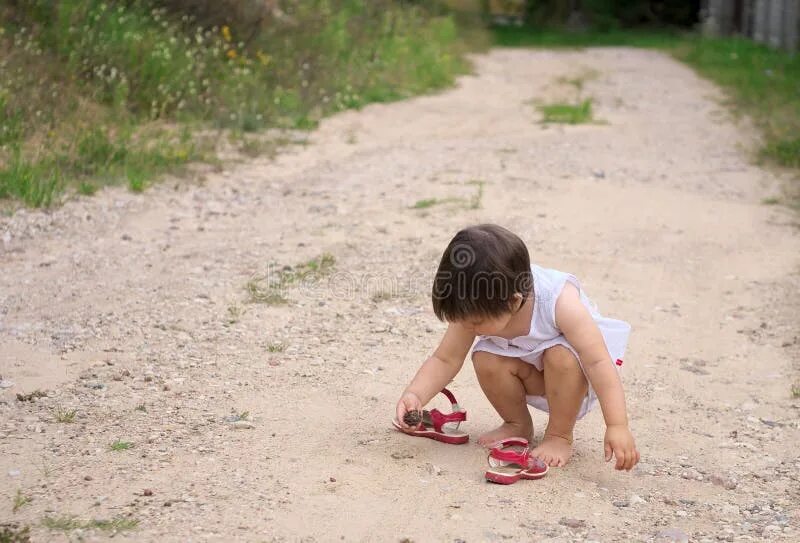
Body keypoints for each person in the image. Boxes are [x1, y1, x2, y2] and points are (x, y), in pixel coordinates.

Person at [395, 224, 639, 469]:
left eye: (476, 323)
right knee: (485, 357)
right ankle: (517, 424)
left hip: (573, 378)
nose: (469, 328)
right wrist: (415, 394)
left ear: (513, 302)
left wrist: (617, 425)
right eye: (463, 321)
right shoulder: (476, 302)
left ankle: (559, 435)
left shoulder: (560, 302)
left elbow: (596, 361)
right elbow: (445, 359)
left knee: (561, 355)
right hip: (533, 371)